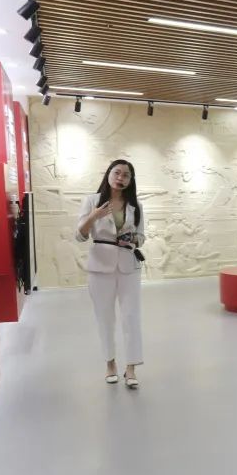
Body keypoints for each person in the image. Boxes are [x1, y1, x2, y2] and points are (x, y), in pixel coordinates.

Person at [76, 160, 146, 389]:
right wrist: (93, 216)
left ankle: (131, 367)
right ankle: (110, 364)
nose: (120, 178)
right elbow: (80, 235)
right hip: (100, 266)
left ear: (130, 180)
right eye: (117, 173)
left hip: (128, 266)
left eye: (126, 175)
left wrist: (133, 238)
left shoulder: (136, 205)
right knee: (104, 317)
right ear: (108, 174)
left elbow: (142, 237)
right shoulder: (92, 201)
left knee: (131, 316)